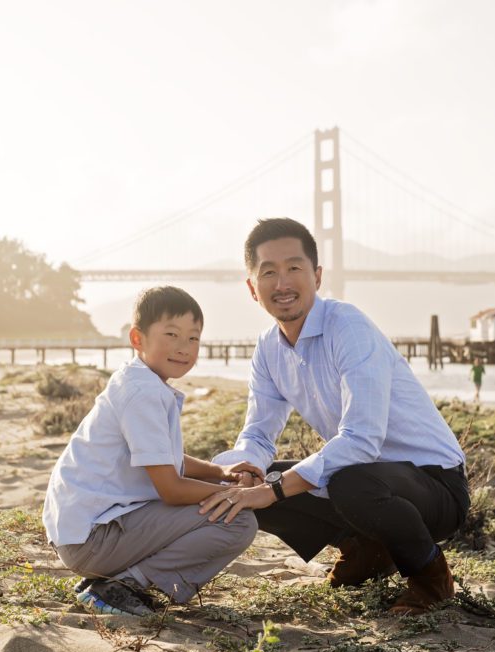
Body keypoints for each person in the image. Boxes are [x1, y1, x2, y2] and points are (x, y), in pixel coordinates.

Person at [199, 218, 470, 616]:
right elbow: (257, 435)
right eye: (268, 272)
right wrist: (244, 472)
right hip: (368, 480)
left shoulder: (349, 328)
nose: (283, 283)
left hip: (436, 486)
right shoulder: (268, 350)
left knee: (338, 481)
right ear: (252, 288)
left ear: (318, 276)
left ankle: (431, 578)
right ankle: (367, 550)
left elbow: (362, 440)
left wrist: (272, 490)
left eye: (294, 268)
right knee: (265, 473)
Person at [42, 286, 261, 616]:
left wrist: (221, 474)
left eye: (193, 338)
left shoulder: (140, 381)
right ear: (137, 339)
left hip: (85, 533)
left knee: (224, 498)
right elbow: (172, 489)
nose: (183, 347)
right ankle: (123, 586)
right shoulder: (142, 392)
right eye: (171, 334)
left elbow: (164, 459)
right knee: (238, 520)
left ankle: (118, 579)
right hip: (92, 540)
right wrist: (240, 496)